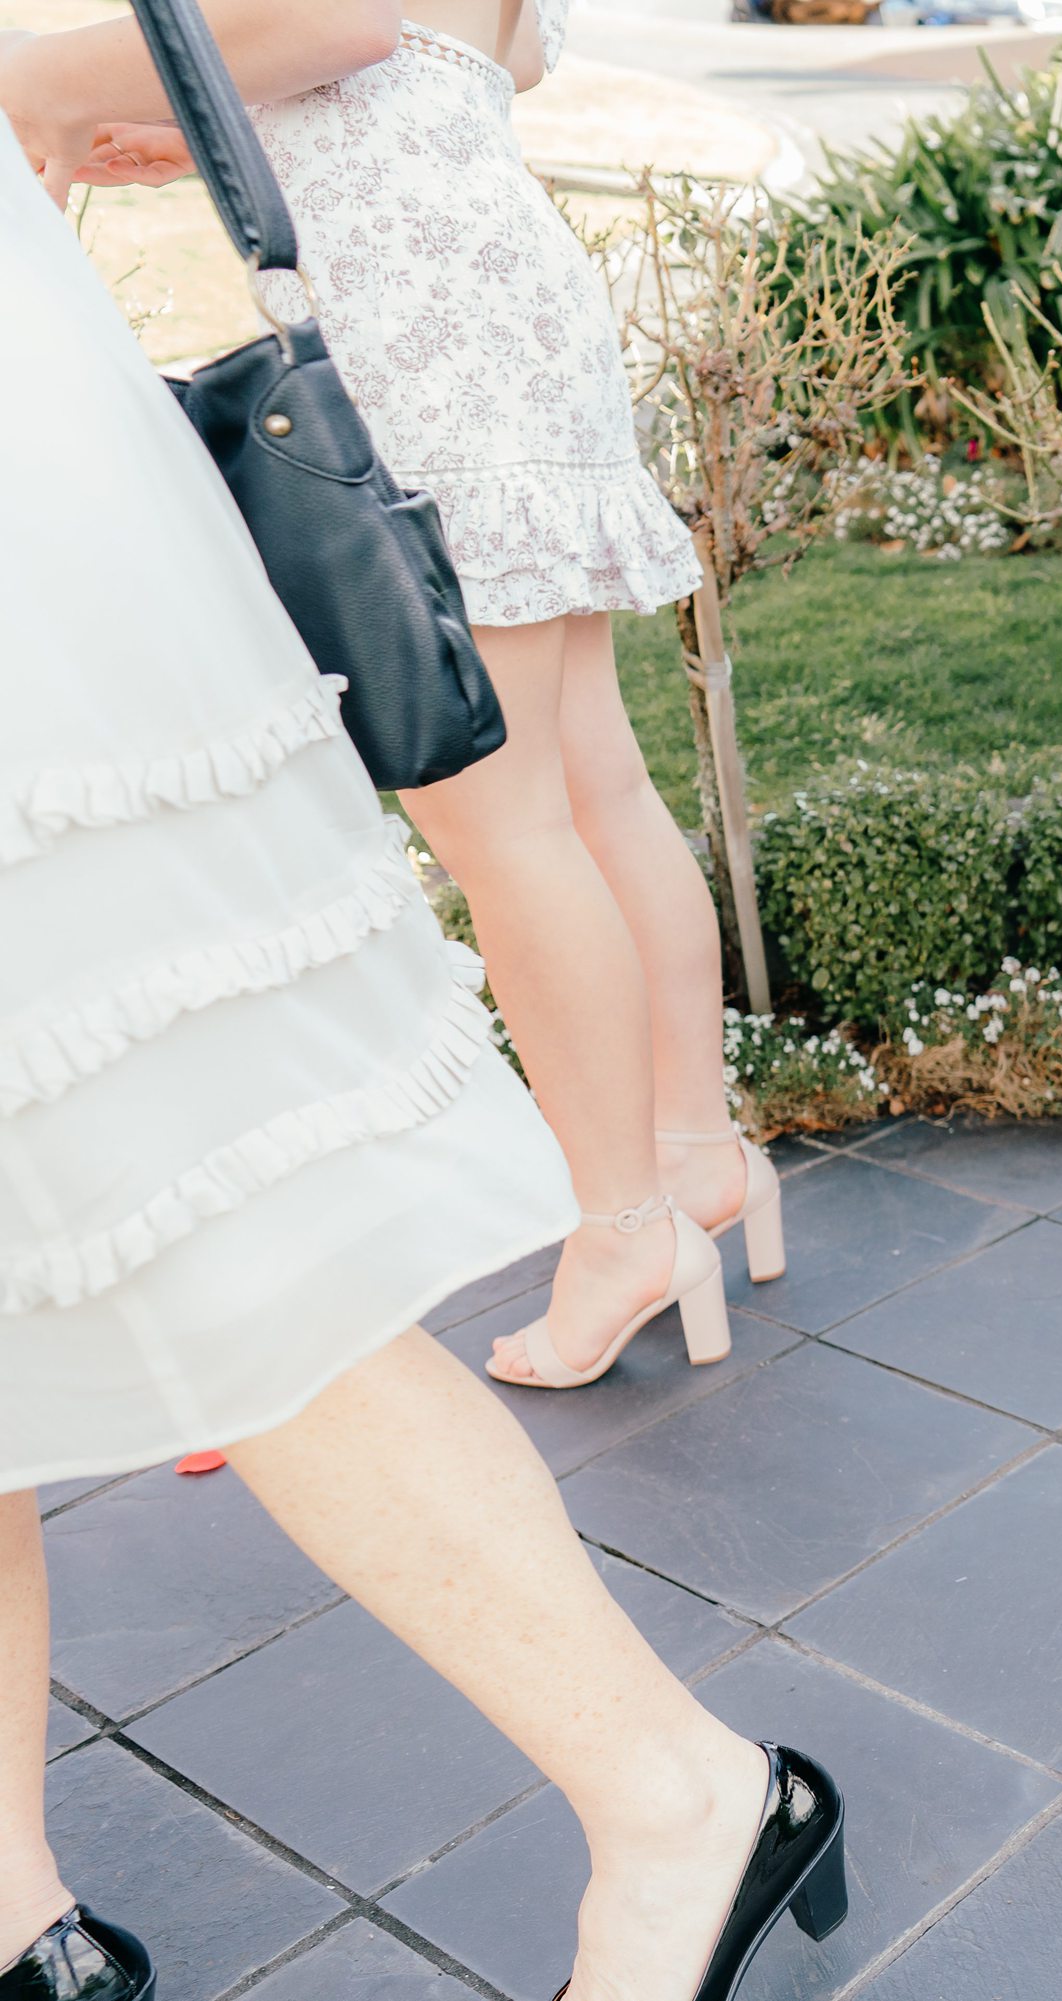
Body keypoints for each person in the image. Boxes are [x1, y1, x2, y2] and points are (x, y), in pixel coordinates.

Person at [0, 101, 841, 2000]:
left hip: (245, 389)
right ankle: (15, 1923)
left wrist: (35, 68)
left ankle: (679, 1790)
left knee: (190, 1193)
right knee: (576, 786)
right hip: (430, 290)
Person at [0, 0, 789, 1394]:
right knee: (592, 788)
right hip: (499, 291)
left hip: (427, 334)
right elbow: (484, 54)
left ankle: (622, 1229)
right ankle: (695, 1155)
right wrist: (192, 121)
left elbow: (333, 18)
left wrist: (46, 80)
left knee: (504, 827)